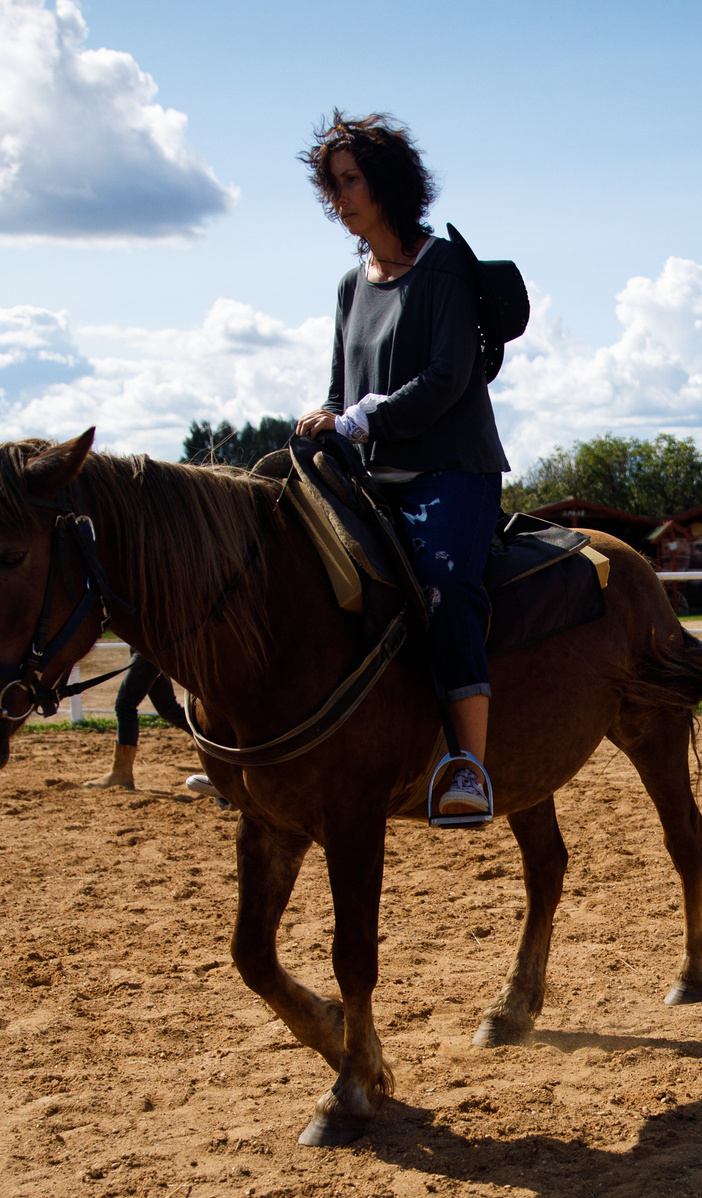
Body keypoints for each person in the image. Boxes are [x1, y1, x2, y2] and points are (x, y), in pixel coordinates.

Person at [292, 110, 510, 828]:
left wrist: (360, 421)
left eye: (351, 180)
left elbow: (448, 378)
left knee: (445, 588)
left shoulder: (443, 268)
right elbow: (339, 392)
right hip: (370, 475)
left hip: (451, 471)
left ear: (388, 183)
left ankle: (469, 767)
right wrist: (325, 422)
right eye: (332, 185)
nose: (339, 198)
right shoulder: (349, 286)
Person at [85, 654, 186, 791]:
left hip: (148, 649)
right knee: (169, 709)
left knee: (125, 706)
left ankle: (122, 772)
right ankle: (213, 741)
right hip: (149, 649)